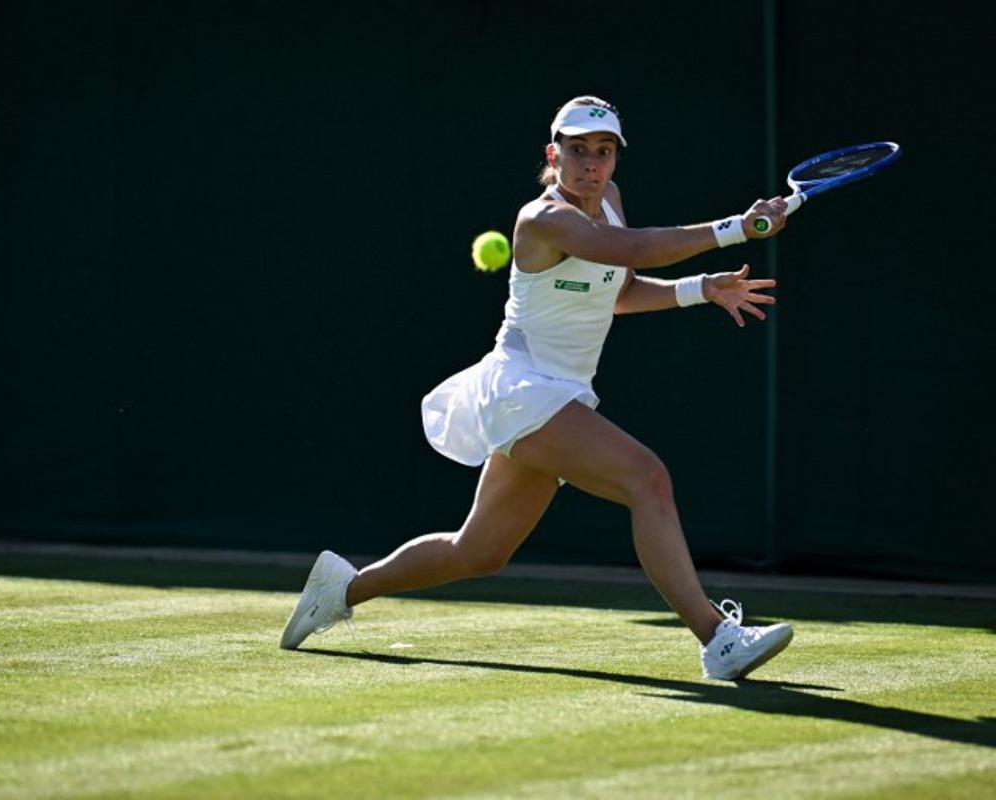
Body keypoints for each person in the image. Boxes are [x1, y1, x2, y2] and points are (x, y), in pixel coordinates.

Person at [281, 95, 793, 680]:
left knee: (477, 552)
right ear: (554, 154)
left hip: (559, 393)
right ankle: (717, 639)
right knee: (646, 478)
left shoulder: (611, 205)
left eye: (603, 152)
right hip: (521, 388)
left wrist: (700, 288)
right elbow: (630, 250)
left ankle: (341, 590)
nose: (591, 164)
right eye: (577, 151)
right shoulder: (543, 219)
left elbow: (617, 289)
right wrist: (738, 228)